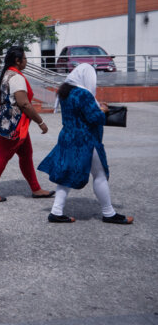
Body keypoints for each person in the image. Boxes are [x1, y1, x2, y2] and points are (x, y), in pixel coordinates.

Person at [38, 64, 133, 224]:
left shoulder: (65, 92)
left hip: (68, 138)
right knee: (100, 175)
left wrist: (96, 107)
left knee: (67, 175)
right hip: (86, 140)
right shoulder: (84, 94)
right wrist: (102, 110)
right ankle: (109, 213)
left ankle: (56, 211)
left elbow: (79, 112)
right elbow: (94, 118)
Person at [0, 46, 55, 202]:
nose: (26, 61)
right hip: (13, 126)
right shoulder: (16, 77)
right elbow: (24, 104)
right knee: (2, 157)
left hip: (11, 124)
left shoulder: (7, 74)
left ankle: (36, 189)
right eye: (25, 58)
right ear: (18, 60)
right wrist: (40, 122)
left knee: (26, 155)